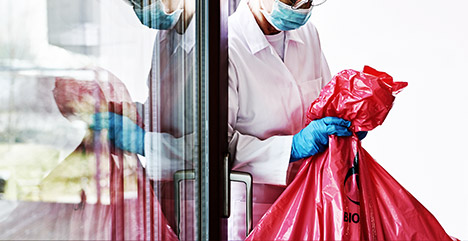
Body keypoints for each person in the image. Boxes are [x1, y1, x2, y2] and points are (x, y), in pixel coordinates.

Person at [227, 0, 365, 239]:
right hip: (253, 209)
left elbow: (324, 103)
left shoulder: (307, 34)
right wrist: (292, 147)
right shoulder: (227, 46)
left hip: (310, 200)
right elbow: (219, 148)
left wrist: (347, 122)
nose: (302, 6)